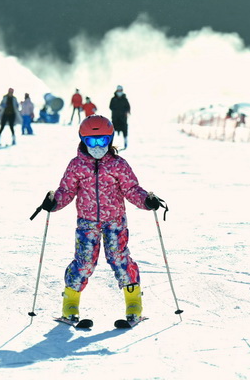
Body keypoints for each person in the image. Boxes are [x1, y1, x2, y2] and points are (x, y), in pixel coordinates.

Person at [36, 115, 164, 324]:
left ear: (111, 139)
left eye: (103, 141)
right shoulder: (76, 166)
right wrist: (54, 202)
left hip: (114, 221)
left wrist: (146, 200)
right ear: (82, 140)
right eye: (92, 141)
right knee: (84, 263)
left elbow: (131, 189)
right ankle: (70, 305)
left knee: (119, 260)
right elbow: (67, 191)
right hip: (87, 222)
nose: (97, 146)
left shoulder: (118, 165)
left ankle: (134, 305)